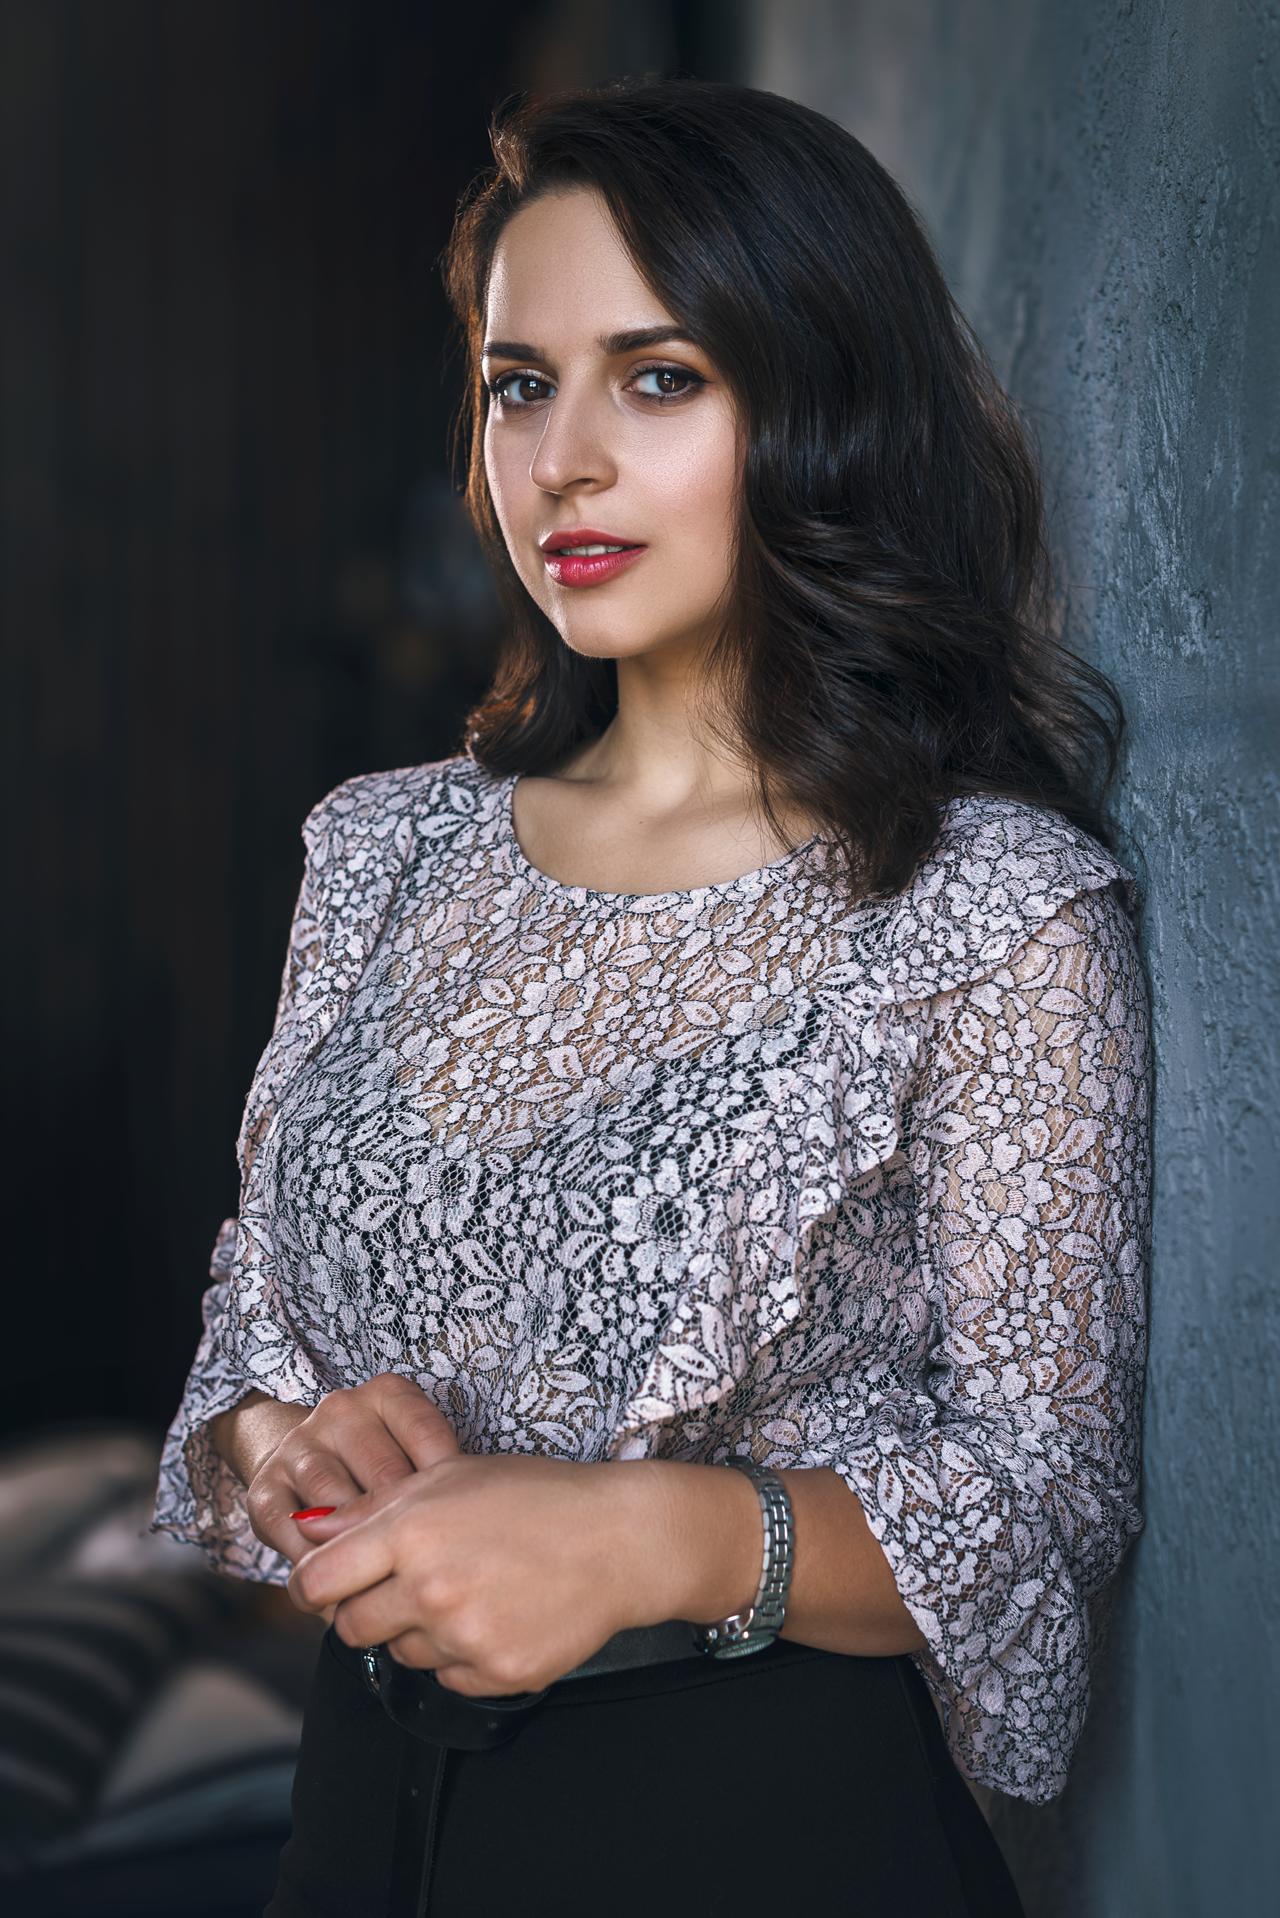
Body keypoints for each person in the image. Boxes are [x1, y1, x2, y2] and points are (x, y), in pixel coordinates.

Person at [150, 74, 1153, 1918]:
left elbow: (1040, 1510)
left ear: (822, 401)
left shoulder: (990, 906)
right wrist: (282, 1446)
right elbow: (244, 1331)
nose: (565, 461)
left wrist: (648, 1538)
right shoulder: (382, 852)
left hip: (757, 1825)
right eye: (520, 383)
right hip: (362, 1808)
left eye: (660, 375)